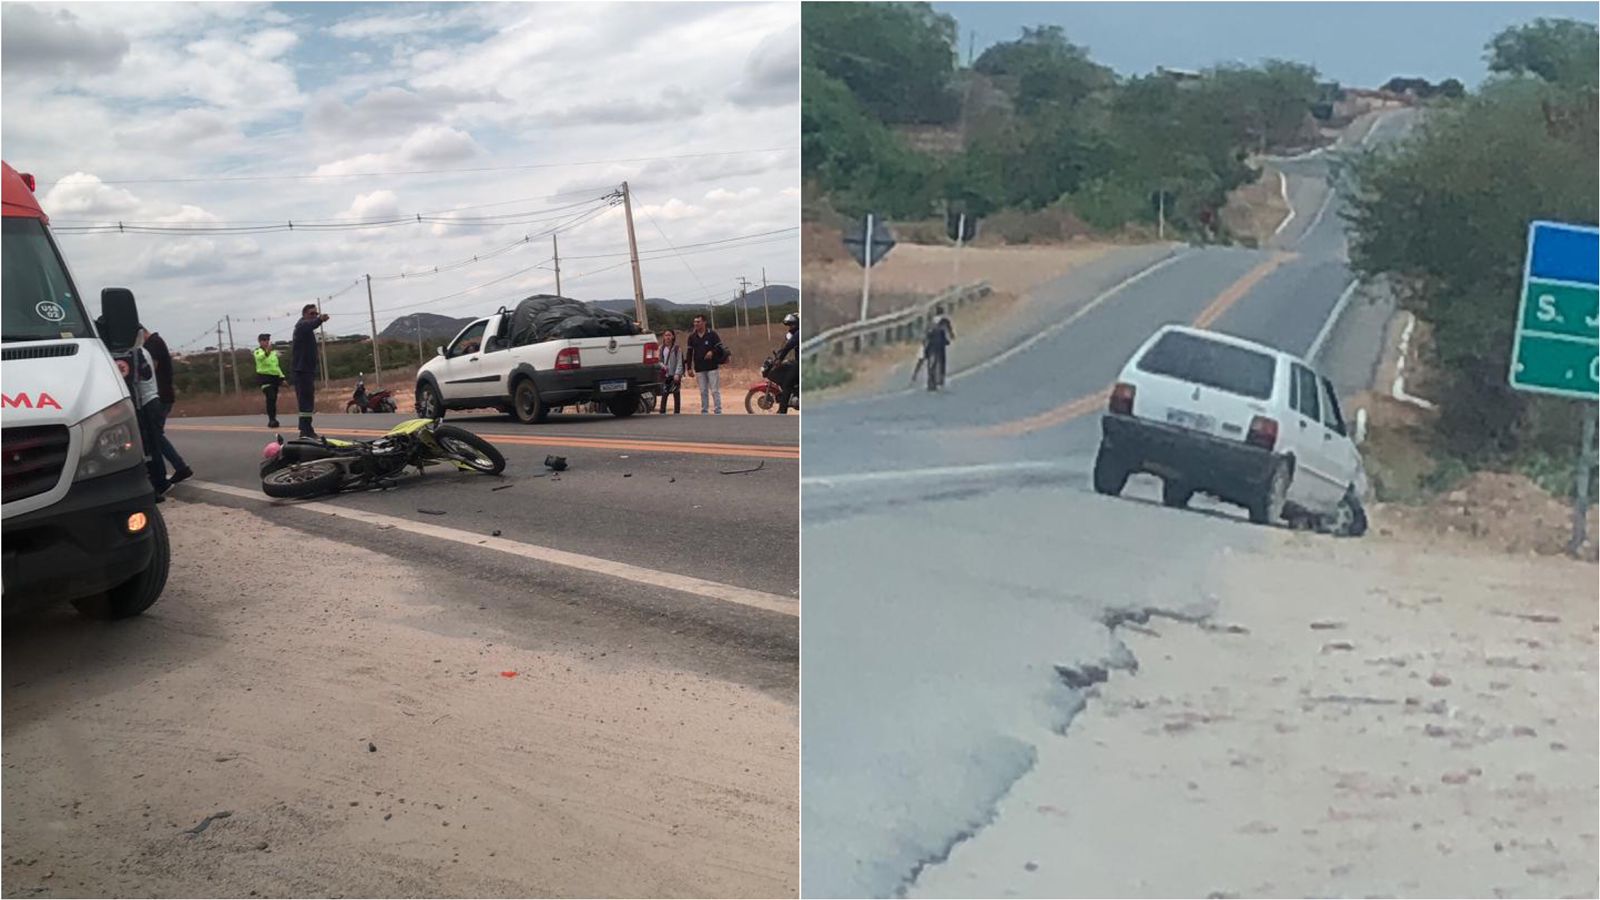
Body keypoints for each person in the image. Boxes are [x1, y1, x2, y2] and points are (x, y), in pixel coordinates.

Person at [140, 326, 192, 483]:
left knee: (155, 435)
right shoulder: (154, 342)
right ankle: (179, 467)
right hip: (162, 395)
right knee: (155, 435)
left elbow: (151, 368)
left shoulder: (153, 344)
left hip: (160, 395)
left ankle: (179, 467)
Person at [128, 334, 171, 499]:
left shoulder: (136, 353)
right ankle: (168, 476)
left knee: (151, 444)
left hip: (146, 401)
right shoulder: (142, 351)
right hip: (153, 399)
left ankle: (160, 482)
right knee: (155, 441)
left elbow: (142, 376)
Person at [291, 304, 330, 438]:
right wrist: (320, 319)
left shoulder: (306, 329)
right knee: (305, 402)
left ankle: (306, 429)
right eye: (312, 314)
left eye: (316, 313)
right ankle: (305, 430)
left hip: (307, 370)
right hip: (301, 371)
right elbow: (311, 325)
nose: (314, 316)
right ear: (305, 315)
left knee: (308, 401)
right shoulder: (302, 326)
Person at [685, 314, 725, 415]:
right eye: (695, 322)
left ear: (704, 322)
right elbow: (689, 353)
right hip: (699, 368)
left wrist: (712, 352)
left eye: (698, 322)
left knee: (714, 390)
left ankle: (718, 410)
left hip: (712, 367)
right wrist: (689, 368)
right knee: (703, 391)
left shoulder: (712, 334)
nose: (696, 324)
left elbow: (720, 347)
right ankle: (704, 411)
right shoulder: (692, 337)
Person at [254, 333, 284, 428]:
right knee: (270, 398)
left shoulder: (273, 353)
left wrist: (282, 377)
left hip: (275, 378)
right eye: (264, 340)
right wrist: (267, 351)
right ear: (260, 342)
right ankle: (271, 420)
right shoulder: (258, 351)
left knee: (274, 399)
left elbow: (276, 366)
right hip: (264, 378)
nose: (266, 342)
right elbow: (260, 358)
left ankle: (273, 418)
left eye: (267, 340)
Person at [922, 304, 955, 391]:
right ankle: (940, 379)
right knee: (941, 361)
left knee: (931, 363)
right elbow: (949, 331)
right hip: (940, 344)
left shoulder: (930, 322)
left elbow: (926, 335)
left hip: (931, 344)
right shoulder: (944, 321)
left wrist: (925, 346)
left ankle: (931, 381)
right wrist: (951, 337)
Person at [771, 312, 799, 414]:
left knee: (787, 384)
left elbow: (788, 346)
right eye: (790, 325)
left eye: (792, 325)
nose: (790, 327)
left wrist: (779, 358)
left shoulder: (798, 333)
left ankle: (782, 410)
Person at [656, 328, 683, 414]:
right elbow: (659, 360)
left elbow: (679, 362)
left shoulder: (677, 349)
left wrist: (677, 374)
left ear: (673, 337)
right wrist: (663, 366)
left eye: (669, 335)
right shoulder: (661, 348)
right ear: (663, 337)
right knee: (664, 393)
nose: (667, 337)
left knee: (676, 393)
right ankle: (662, 411)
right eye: (666, 335)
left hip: (675, 374)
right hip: (665, 375)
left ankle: (677, 412)